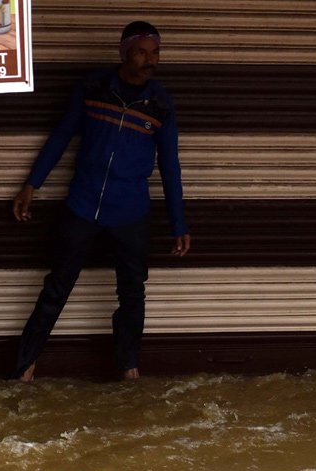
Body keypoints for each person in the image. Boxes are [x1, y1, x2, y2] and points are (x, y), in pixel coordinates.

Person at [10, 20, 190, 382]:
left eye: (155, 52)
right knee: (56, 286)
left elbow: (170, 165)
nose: (150, 59)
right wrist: (32, 183)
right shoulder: (92, 88)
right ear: (124, 53)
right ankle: (23, 369)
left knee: (132, 294)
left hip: (131, 213)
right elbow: (62, 135)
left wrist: (178, 223)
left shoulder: (160, 104)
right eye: (142, 51)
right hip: (83, 205)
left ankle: (129, 370)